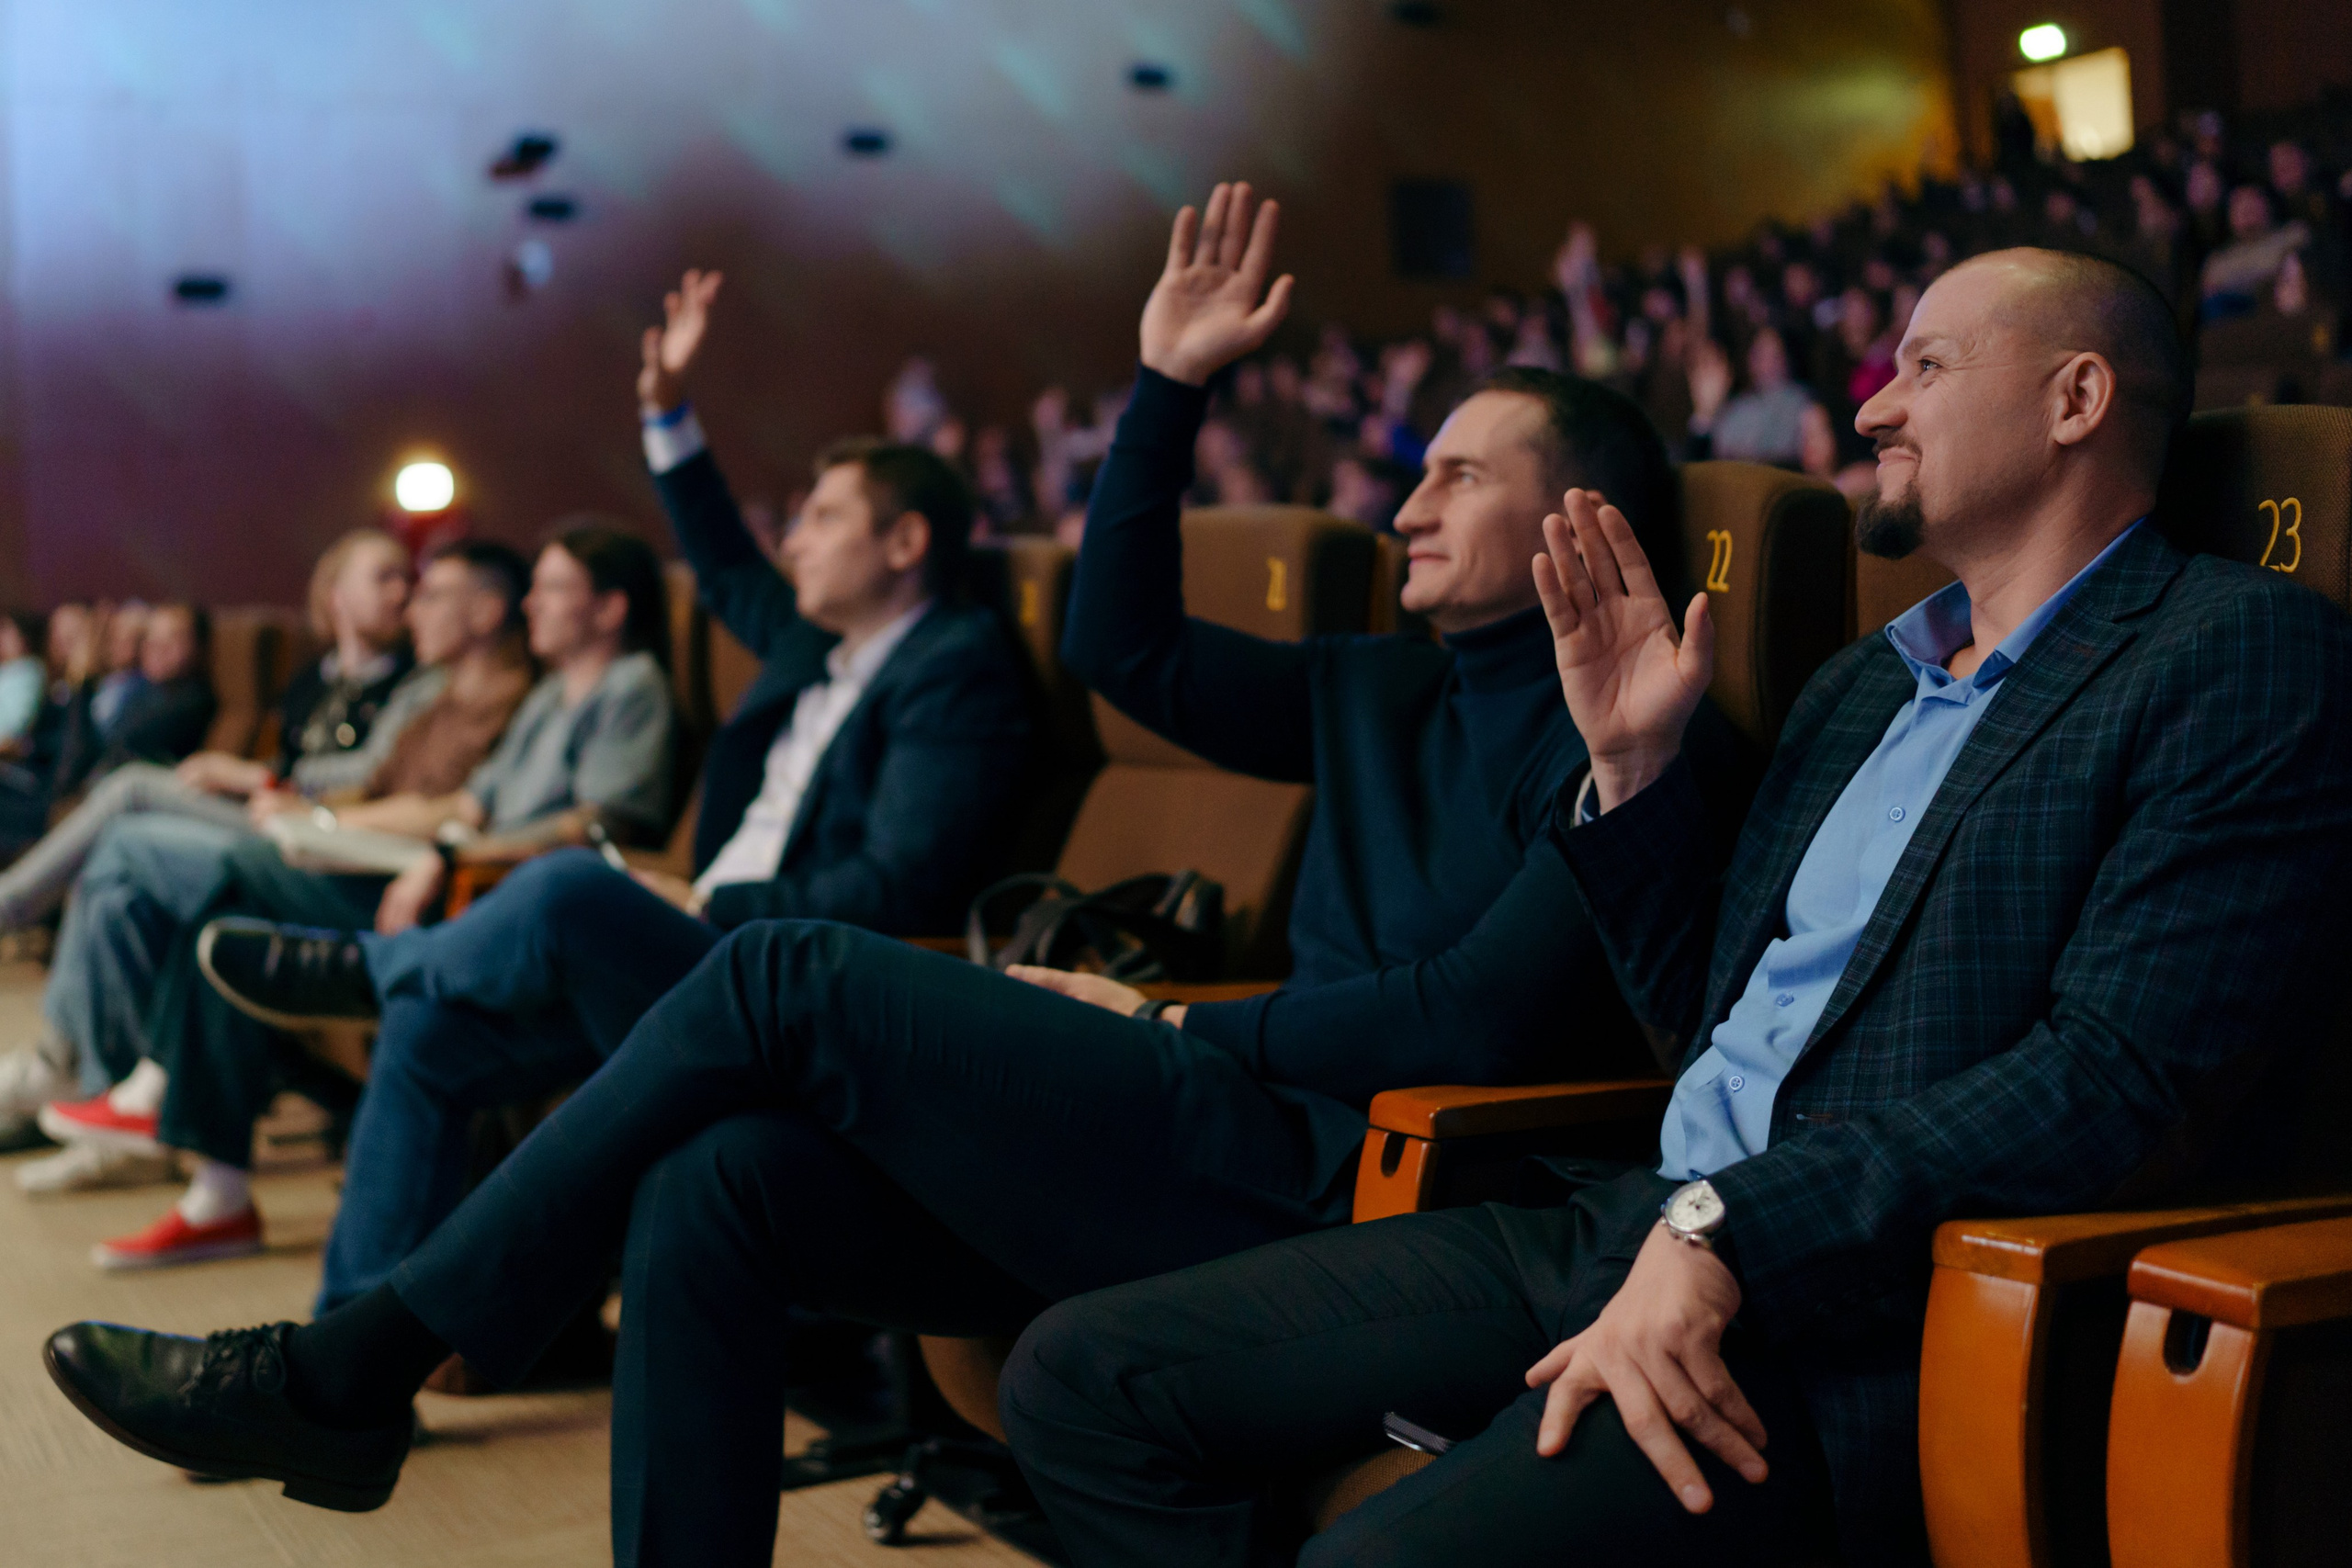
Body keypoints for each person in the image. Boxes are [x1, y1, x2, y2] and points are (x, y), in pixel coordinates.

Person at [36, 181, 1754, 1567]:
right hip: (1225, 1135)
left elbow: (1480, 1012)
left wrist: (1176, 1023)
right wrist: (1164, 389)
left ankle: (356, 1364)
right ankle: (367, 1372)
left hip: (1362, 1192)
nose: (1407, 497)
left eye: (1458, 470)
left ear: (1573, 516)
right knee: (715, 1181)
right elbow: (1124, 644)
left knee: (777, 976)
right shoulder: (1384, 681)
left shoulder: (1640, 735)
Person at [989, 248, 2352, 1568]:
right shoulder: (1858, 687)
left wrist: (1732, 1230)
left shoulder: (2233, 652)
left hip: (1844, 1313)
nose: (1871, 403)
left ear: (2077, 398)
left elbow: (2115, 1081)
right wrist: (1633, 774)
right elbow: (1698, 1021)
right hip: (1629, 1222)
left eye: (1923, 364)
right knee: (1079, 1376)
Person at [199, 265, 1035, 1311]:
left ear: (906, 544)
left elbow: (898, 886)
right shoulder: (816, 645)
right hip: (704, 956)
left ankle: (374, 969)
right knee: (430, 1039)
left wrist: (701, 903)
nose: (795, 540)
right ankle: (352, 1345)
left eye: (823, 518)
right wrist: (667, 414)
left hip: (782, 980)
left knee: (563, 884)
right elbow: (726, 561)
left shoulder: (955, 668)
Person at [28, 529, 668, 1264]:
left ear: (611, 607)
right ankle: (212, 1185)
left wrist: (437, 849)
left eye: (553, 589)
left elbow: (594, 822)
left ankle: (169, 1113)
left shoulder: (629, 688)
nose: (534, 604)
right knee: (221, 906)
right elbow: (468, 802)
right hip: (436, 870)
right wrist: (362, 829)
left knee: (217, 863)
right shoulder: (553, 695)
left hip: (486, 903)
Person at [2, 541, 536, 1190]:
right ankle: (116, 1096)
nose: (410, 601)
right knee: (125, 879)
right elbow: (379, 780)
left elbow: (458, 807)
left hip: (373, 864)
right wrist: (305, 809)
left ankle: (123, 1082)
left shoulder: (478, 692)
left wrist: (310, 810)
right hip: (325, 835)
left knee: (134, 830)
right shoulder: (431, 692)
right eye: (393, 579)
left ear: (484, 611)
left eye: (424, 589)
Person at [0, 530, 415, 937]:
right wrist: (243, 774)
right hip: (273, 807)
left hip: (320, 824)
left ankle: (8, 906)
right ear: (336, 595)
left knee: (131, 790)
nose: (402, 593)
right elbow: (291, 760)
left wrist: (258, 778)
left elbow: (375, 772)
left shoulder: (409, 682)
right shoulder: (313, 679)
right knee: (118, 848)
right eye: (384, 578)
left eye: (408, 579)